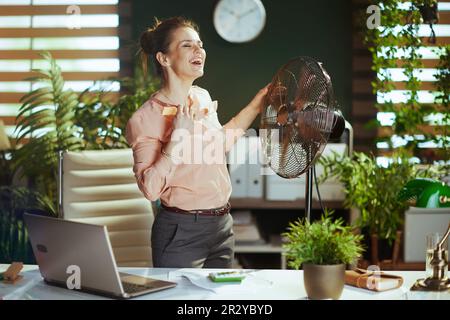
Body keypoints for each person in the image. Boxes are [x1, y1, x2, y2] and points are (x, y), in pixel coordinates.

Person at [125, 17, 268, 268]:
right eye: (187, 45)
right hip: (181, 231)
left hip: (222, 225)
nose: (199, 50)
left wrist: (259, 102)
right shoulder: (144, 118)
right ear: (164, 58)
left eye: (200, 44)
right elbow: (150, 189)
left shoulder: (201, 97)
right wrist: (177, 139)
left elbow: (219, 144)